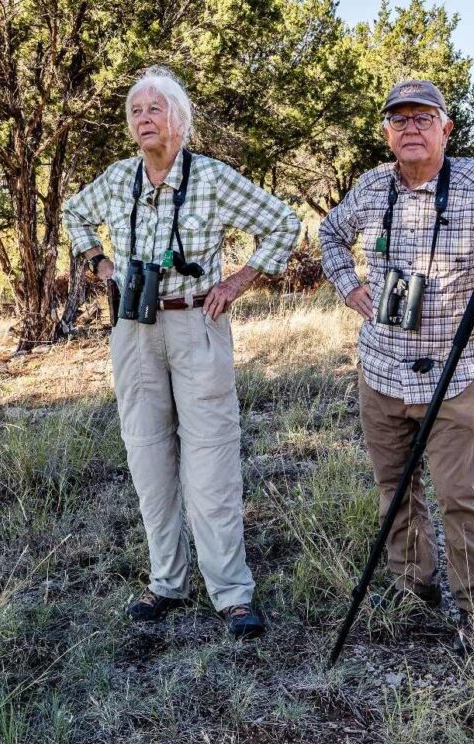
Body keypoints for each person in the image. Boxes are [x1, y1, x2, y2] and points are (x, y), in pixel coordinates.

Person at [63, 66, 299, 639]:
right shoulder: (119, 180)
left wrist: (237, 281)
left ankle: (232, 592)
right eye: (136, 111)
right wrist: (98, 263)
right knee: (147, 455)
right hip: (133, 326)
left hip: (197, 322)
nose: (144, 118)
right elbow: (74, 213)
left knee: (211, 457)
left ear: (180, 119)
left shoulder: (212, 178)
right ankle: (166, 581)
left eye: (155, 109)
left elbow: (284, 224)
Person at [318, 79, 474, 653]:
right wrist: (350, 287)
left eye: (424, 118)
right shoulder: (371, 188)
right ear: (387, 132)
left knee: (459, 493)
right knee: (394, 487)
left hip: (453, 369)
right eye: (400, 120)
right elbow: (329, 234)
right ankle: (410, 589)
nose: (412, 128)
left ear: (447, 128)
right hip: (381, 369)